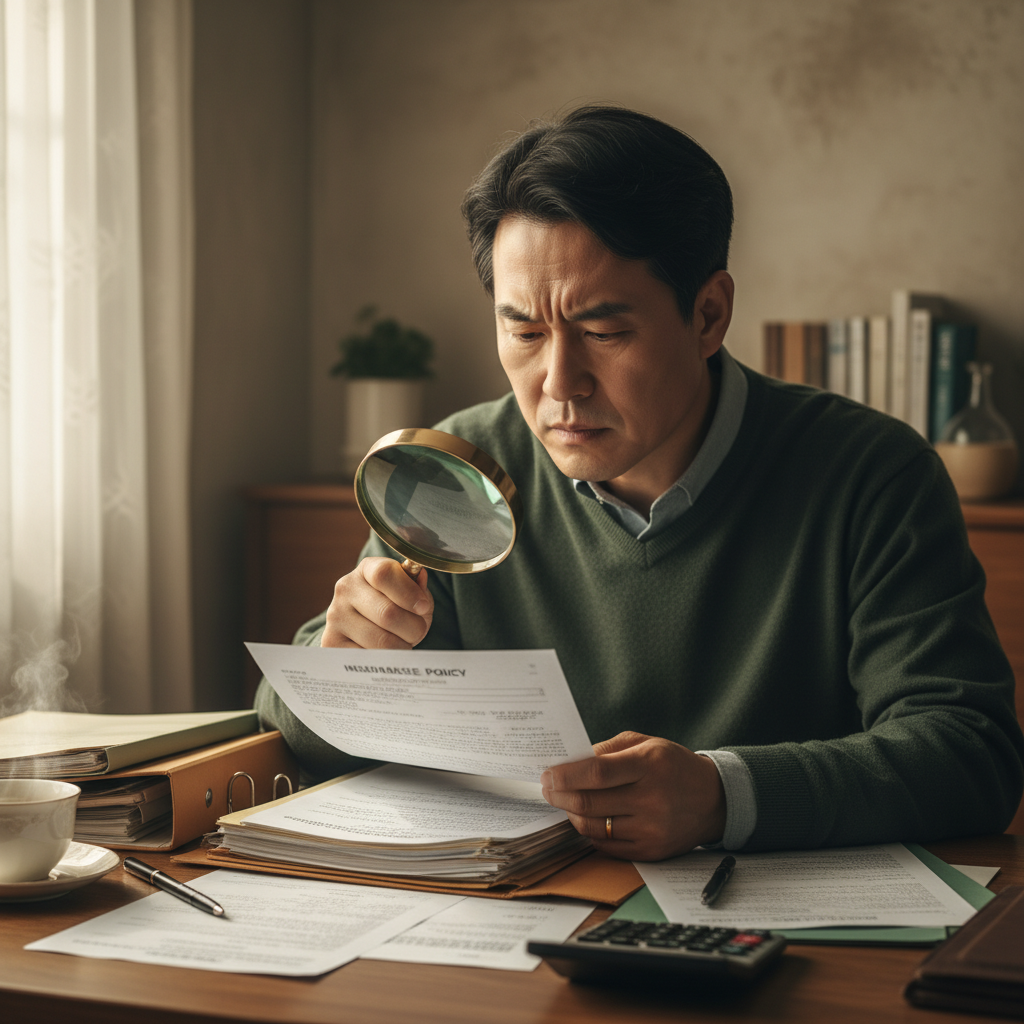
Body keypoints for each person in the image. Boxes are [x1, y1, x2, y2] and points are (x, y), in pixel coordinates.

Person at [256, 105, 1023, 860]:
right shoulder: (462, 464)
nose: (559, 383)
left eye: (603, 332)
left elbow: (970, 754)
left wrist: (720, 795)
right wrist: (342, 664)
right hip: (518, 922)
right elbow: (288, 725)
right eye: (523, 331)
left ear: (709, 314)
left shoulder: (870, 474)